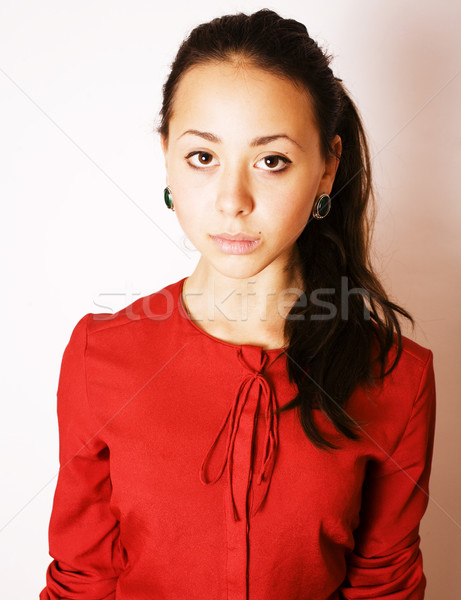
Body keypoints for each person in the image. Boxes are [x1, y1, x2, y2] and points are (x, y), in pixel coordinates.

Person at [40, 8, 436, 600]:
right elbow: (82, 579)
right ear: (168, 155)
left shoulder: (398, 377)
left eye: (271, 160)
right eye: (204, 157)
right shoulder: (100, 356)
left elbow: (385, 586)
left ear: (326, 168)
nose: (232, 201)